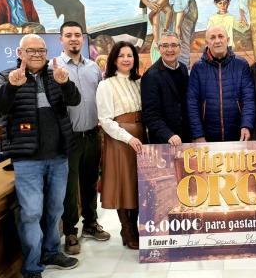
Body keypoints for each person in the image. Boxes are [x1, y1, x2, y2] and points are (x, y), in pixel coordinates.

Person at [0, 34, 80, 278]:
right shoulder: (6, 76)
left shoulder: (56, 74)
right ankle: (32, 271)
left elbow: (74, 100)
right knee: (30, 213)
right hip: (27, 160)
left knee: (55, 209)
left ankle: (51, 252)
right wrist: (11, 87)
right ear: (20, 53)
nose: (37, 55)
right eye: (31, 50)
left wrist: (66, 84)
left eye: (41, 50)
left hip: (58, 156)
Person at [55, 21, 109, 255]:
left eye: (77, 35)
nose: (73, 39)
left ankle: (90, 223)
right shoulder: (54, 67)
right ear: (61, 39)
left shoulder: (93, 68)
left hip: (93, 134)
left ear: (83, 39)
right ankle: (70, 231)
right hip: (68, 138)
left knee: (90, 182)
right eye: (68, 35)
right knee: (69, 188)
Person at [96, 41, 145, 250]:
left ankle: (136, 227)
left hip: (141, 136)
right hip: (121, 139)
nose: (126, 59)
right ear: (114, 60)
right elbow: (105, 120)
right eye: (121, 55)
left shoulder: (138, 82)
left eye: (130, 55)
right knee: (124, 184)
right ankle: (127, 230)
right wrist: (128, 138)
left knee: (138, 184)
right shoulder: (106, 85)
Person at [188, 26, 255, 142]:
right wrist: (198, 135)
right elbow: (192, 103)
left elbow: (248, 98)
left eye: (221, 36)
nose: (217, 41)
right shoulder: (198, 68)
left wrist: (246, 125)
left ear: (227, 40)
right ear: (207, 42)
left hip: (238, 135)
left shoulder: (241, 65)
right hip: (207, 138)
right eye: (212, 37)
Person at [141, 31, 190, 144]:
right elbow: (150, 114)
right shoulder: (150, 76)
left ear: (180, 48)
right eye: (165, 46)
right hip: (164, 141)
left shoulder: (183, 69)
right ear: (159, 48)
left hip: (185, 137)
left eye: (174, 45)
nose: (170, 49)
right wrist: (168, 135)